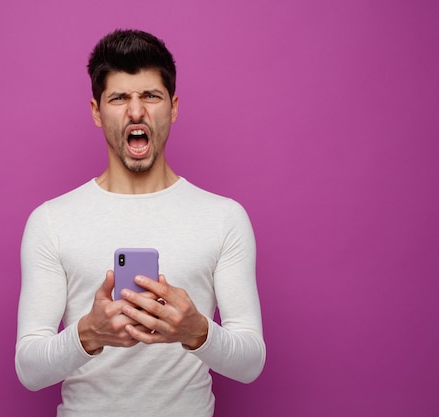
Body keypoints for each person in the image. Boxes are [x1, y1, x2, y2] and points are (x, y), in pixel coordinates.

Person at [15, 29, 265, 416]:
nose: (136, 112)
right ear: (97, 111)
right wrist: (88, 335)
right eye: (119, 98)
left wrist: (197, 332)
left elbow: (251, 364)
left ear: (174, 106)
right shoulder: (51, 221)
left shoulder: (223, 218)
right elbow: (29, 369)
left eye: (150, 96)